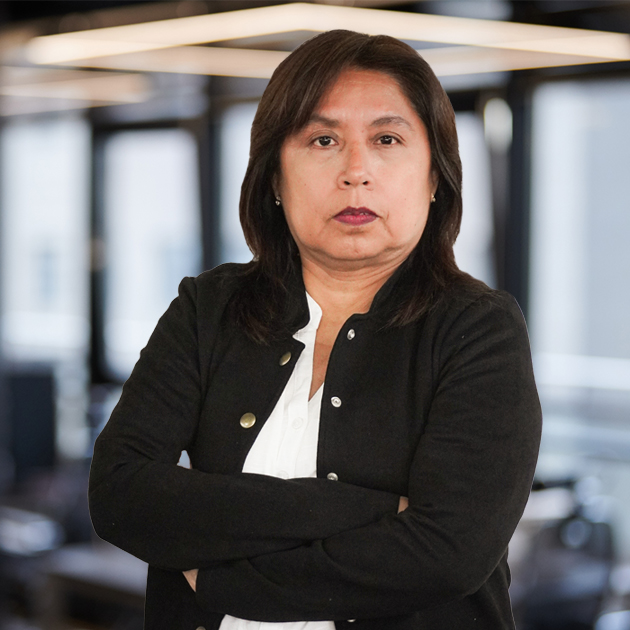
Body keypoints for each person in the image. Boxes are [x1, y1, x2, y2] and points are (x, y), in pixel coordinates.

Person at [89, 29, 542, 630]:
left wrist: (221, 582)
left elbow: (447, 553)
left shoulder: (479, 329)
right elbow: (120, 495)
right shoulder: (210, 308)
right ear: (275, 178)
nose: (356, 171)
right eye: (323, 140)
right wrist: (368, 511)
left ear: (435, 176)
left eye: (386, 139)